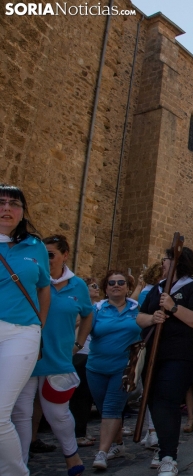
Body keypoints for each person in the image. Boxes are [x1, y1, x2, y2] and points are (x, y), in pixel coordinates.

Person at [11, 235, 92, 475]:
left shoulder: (78, 285)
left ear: (65, 255)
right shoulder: (32, 278)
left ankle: (72, 456)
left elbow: (88, 313)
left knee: (57, 412)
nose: (46, 259)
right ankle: (21, 465)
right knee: (21, 413)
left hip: (58, 358)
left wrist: (78, 344)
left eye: (51, 254)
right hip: (26, 355)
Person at [137, 246, 193, 475]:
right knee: (152, 400)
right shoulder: (157, 289)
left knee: (167, 400)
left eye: (166, 259)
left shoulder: (192, 288)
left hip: (179, 355)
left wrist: (173, 308)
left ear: (178, 262)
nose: (163, 264)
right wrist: (152, 318)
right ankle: (164, 446)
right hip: (154, 355)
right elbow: (139, 316)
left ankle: (169, 455)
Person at [0, 184, 49, 476]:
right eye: (2, 202)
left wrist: (38, 325)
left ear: (22, 212)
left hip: (21, 333)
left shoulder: (35, 246)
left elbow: (44, 289)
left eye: (14, 204)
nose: (7, 208)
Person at [87, 270, 140, 470]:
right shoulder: (96, 310)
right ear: (106, 288)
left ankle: (102, 453)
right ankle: (117, 445)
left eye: (121, 282)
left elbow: (149, 325)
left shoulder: (136, 309)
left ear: (127, 288)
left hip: (123, 369)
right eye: (111, 283)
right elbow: (82, 328)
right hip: (96, 368)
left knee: (111, 408)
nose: (116, 285)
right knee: (105, 409)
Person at [71, 277, 100, 447]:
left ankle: (81, 430)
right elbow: (73, 323)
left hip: (91, 353)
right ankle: (77, 433)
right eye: (93, 286)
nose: (96, 288)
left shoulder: (98, 306)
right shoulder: (79, 304)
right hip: (79, 352)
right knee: (80, 396)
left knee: (87, 396)